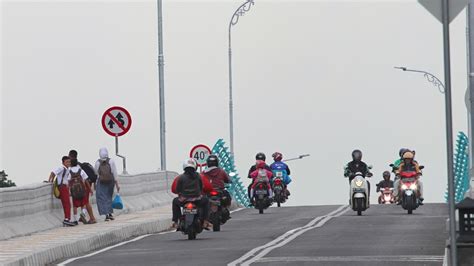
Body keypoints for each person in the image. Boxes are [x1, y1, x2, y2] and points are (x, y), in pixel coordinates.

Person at [171, 158, 213, 230]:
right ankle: (206, 221)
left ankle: (175, 221)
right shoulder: (198, 176)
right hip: (197, 199)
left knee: (175, 201)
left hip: (183, 200)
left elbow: (177, 189)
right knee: (206, 201)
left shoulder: (181, 177)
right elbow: (201, 187)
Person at [69, 150, 97, 224]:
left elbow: (69, 180)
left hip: (80, 187)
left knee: (85, 202)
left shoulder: (72, 168)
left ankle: (92, 218)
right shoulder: (79, 166)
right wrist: (90, 188)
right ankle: (83, 216)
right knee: (84, 202)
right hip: (84, 186)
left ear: (70, 156)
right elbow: (86, 178)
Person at [202, 155, 232, 221]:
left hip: (208, 191)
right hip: (219, 190)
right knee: (227, 197)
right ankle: (226, 209)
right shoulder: (221, 171)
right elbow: (227, 179)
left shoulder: (204, 172)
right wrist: (229, 181)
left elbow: (200, 180)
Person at [48, 156, 75, 226]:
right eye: (67, 162)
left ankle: (67, 219)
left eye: (69, 162)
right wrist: (50, 180)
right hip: (62, 187)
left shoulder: (67, 169)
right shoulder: (61, 168)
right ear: (63, 162)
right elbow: (53, 173)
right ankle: (66, 219)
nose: (68, 163)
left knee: (67, 203)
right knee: (67, 203)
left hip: (65, 187)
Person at [94, 148, 120, 221]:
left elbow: (96, 173)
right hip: (110, 181)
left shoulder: (97, 162)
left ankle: (106, 215)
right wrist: (117, 184)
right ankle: (110, 213)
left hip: (101, 181)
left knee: (102, 198)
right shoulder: (111, 161)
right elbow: (114, 172)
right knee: (109, 197)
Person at [69, 158, 91, 225]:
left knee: (75, 206)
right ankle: (83, 213)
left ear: (71, 164)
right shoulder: (81, 170)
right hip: (82, 190)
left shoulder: (69, 171)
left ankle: (75, 220)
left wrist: (69, 191)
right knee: (83, 204)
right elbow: (86, 180)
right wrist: (90, 189)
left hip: (74, 191)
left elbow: (67, 181)